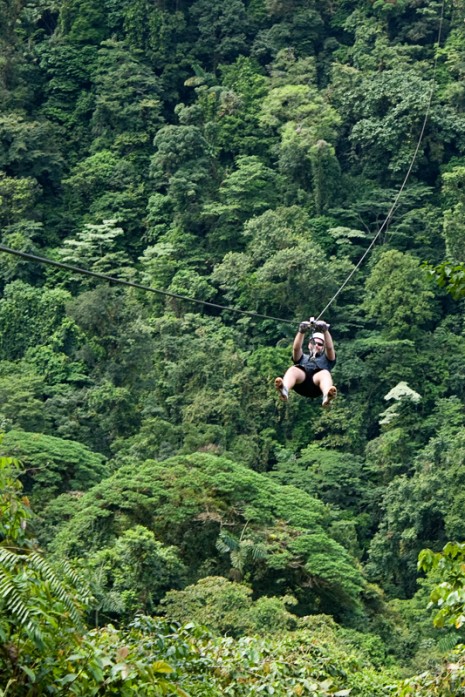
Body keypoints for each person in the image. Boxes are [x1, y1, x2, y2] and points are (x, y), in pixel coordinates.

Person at [274, 319, 337, 408]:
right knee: (293, 369)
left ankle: (327, 395)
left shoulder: (327, 359)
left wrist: (325, 330)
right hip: (301, 383)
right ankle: (284, 389)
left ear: (323, 347)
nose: (316, 345)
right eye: (314, 343)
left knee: (325, 373)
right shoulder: (303, 357)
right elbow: (296, 348)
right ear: (309, 344)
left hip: (316, 386)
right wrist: (301, 331)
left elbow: (330, 348)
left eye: (320, 344)